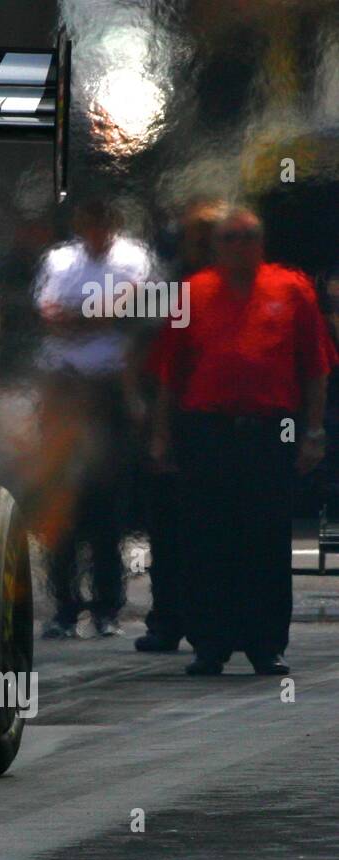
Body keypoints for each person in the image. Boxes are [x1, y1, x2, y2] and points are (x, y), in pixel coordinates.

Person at [150, 207, 336, 675]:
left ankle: (265, 643)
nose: (240, 246)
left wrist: (313, 432)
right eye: (230, 238)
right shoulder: (193, 293)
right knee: (206, 541)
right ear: (216, 246)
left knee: (266, 540)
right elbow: (171, 375)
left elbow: (316, 367)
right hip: (207, 432)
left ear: (261, 241)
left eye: (248, 237)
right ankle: (209, 643)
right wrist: (162, 434)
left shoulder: (290, 289)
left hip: (269, 433)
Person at [33, 196, 155, 640]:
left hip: (108, 395)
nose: (96, 224)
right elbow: (48, 315)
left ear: (114, 220)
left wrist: (80, 318)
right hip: (63, 392)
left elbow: (125, 311)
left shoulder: (132, 258)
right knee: (62, 504)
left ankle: (106, 608)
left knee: (106, 507)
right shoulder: (60, 260)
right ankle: (65, 607)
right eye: (90, 216)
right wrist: (94, 317)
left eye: (103, 216)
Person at [134, 199, 226, 653]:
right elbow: (143, 354)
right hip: (171, 418)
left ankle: (219, 621)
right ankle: (167, 619)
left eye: (216, 235)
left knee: (218, 530)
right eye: (199, 235)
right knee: (167, 530)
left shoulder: (237, 284)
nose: (207, 244)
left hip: (222, 421)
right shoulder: (165, 287)